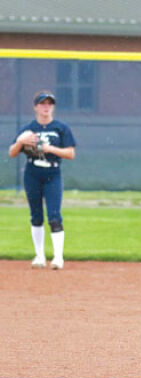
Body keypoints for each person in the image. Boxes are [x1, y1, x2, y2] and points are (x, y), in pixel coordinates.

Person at [9, 90, 76, 270]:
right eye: (42, 103)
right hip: (32, 173)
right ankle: (39, 256)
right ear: (36, 107)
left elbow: (70, 153)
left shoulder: (60, 128)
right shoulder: (28, 129)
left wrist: (49, 148)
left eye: (49, 103)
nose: (46, 107)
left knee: (54, 216)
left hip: (53, 174)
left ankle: (58, 257)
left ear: (52, 107)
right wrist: (20, 142)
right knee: (36, 215)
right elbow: (12, 153)